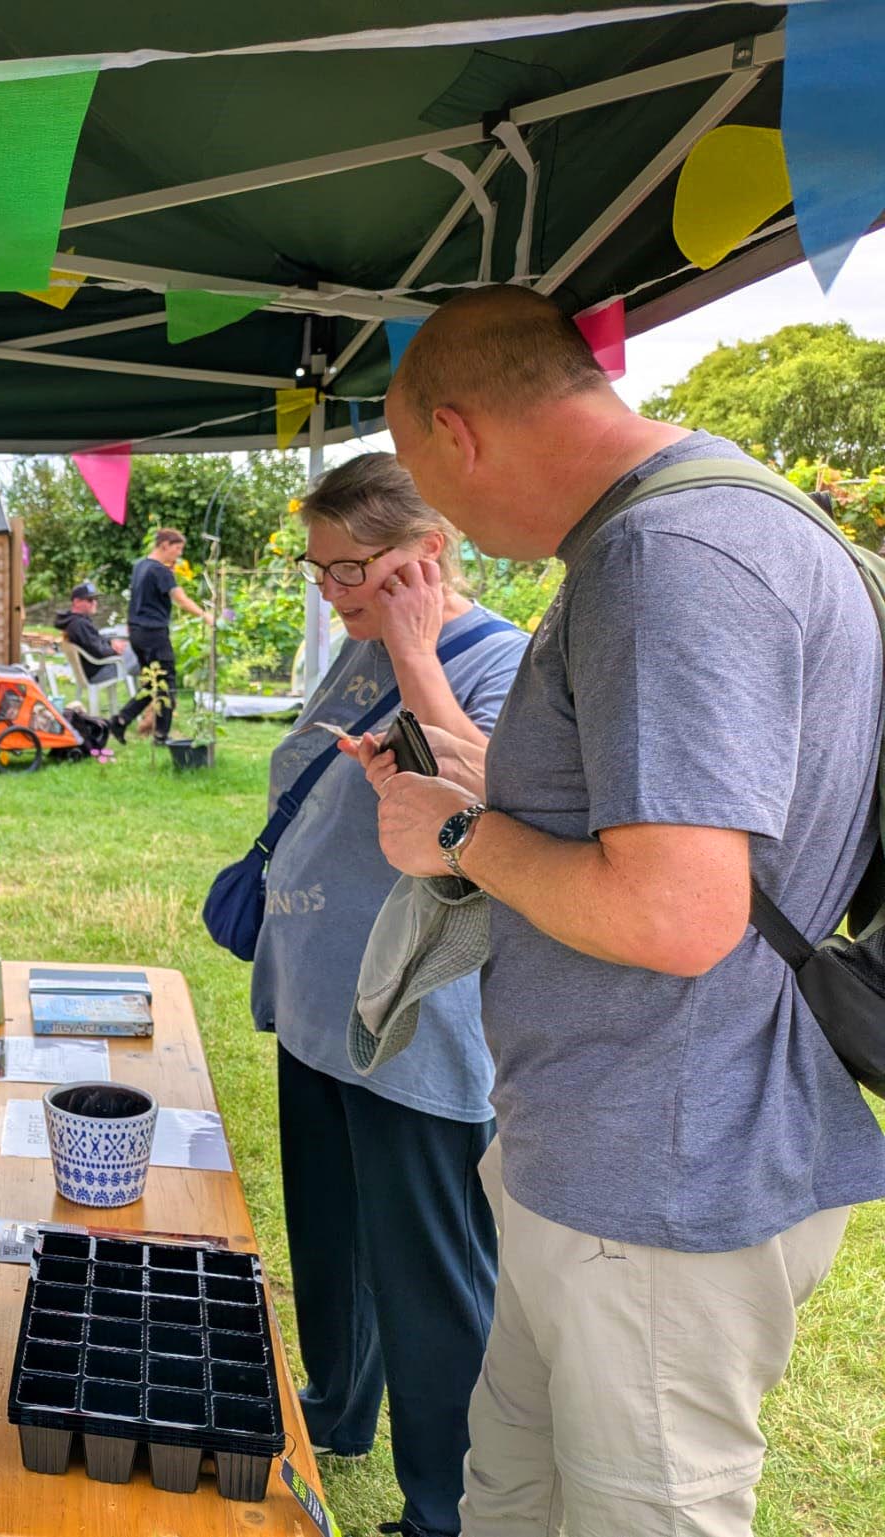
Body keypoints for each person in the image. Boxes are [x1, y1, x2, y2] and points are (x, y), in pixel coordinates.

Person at [370, 284, 885, 1536]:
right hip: (606, 1152)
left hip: (660, 1172)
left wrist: (455, 832)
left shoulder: (668, 556)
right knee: (512, 1491)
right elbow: (677, 830)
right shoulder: (710, 520)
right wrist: (496, 787)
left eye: (424, 476)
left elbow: (676, 914)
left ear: (457, 431)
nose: (449, 523)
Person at [247, 453, 527, 1537]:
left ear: (430, 553)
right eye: (321, 573)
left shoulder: (500, 659)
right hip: (323, 1004)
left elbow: (477, 815)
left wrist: (413, 648)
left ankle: (442, 1508)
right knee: (328, 1237)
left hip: (416, 1024)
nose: (335, 594)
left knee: (426, 1276)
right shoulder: (357, 642)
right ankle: (336, 1402)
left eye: (353, 570)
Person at [110, 527, 207, 743]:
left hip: (136, 633)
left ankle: (120, 721)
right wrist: (205, 615)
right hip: (154, 633)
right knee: (166, 683)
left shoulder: (140, 566)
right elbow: (179, 598)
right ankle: (161, 735)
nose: (179, 554)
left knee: (152, 684)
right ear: (165, 545)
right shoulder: (159, 571)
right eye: (177, 549)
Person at [54, 580, 133, 686]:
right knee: (141, 654)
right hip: (98, 671)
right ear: (77, 602)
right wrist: (116, 650)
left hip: (95, 669)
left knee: (139, 654)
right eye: (90, 600)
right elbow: (99, 652)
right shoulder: (79, 624)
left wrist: (111, 642)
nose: (95, 603)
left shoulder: (75, 621)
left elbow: (95, 641)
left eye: (95, 599)